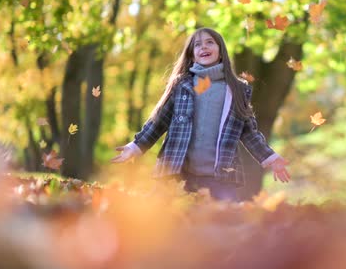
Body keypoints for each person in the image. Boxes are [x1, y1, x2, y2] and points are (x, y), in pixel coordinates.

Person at [111, 27, 290, 202]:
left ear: (221, 52)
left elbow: (249, 132)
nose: (203, 47)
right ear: (192, 55)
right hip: (176, 171)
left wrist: (270, 158)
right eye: (197, 45)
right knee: (168, 221)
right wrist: (135, 146)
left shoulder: (236, 90)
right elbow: (158, 121)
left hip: (220, 176)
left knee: (225, 222)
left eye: (209, 42)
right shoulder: (182, 85)